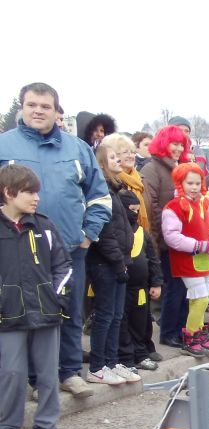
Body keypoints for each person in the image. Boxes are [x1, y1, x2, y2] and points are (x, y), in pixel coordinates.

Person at [0, 82, 112, 399]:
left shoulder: (77, 149)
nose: (38, 110)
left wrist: (88, 236)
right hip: (18, 250)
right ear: (22, 108)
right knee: (29, 315)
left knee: (70, 311)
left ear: (55, 110)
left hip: (69, 249)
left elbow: (99, 197)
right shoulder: (4, 147)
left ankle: (69, 373)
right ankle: (36, 380)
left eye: (45, 106)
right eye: (32, 104)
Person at [0, 164, 72, 429]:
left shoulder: (44, 225)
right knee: (11, 373)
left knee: (46, 373)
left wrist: (56, 297)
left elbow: (63, 266)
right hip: (8, 315)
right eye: (30, 192)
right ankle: (6, 428)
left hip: (46, 312)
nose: (36, 198)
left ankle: (45, 426)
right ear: (8, 192)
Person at [101, 133, 163, 372]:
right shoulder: (113, 189)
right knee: (122, 319)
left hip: (140, 281)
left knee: (141, 317)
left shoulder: (138, 180)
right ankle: (127, 356)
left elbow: (153, 259)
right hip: (123, 276)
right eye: (119, 153)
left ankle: (143, 348)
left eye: (128, 152)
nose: (126, 157)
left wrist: (155, 280)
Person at [86, 143, 139, 385]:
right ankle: (97, 366)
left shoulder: (116, 191)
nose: (119, 160)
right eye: (113, 157)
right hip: (105, 263)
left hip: (119, 260)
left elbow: (123, 228)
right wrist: (118, 262)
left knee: (117, 315)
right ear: (101, 164)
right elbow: (105, 234)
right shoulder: (102, 193)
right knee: (105, 315)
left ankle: (112, 361)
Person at [161, 163, 209, 357]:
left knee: (202, 300)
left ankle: (199, 336)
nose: (194, 187)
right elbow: (172, 236)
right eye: (190, 183)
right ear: (181, 183)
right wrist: (198, 245)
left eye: (197, 183)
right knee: (200, 298)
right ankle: (190, 337)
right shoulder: (173, 207)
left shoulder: (202, 203)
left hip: (204, 259)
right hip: (188, 260)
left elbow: (204, 227)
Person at [142, 124, 190, 348]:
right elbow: (150, 206)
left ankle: (181, 329)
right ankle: (169, 331)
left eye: (181, 144)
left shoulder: (182, 167)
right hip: (164, 239)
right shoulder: (152, 169)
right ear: (164, 144)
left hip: (183, 238)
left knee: (184, 286)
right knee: (173, 287)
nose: (178, 148)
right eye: (174, 143)